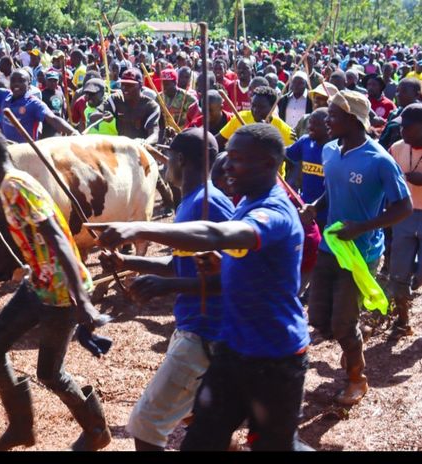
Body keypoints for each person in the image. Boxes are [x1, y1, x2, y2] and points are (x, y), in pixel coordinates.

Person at [90, 123, 311, 451]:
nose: (226, 165)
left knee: (276, 446)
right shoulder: (245, 203)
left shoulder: (273, 212)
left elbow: (219, 235)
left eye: (237, 158)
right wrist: (220, 266)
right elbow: (237, 261)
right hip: (232, 351)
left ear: (268, 163)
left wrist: (138, 229)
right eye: (228, 155)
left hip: (275, 357)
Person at [0, 130, 111, 452]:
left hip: (61, 292)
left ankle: (96, 430)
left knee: (50, 373)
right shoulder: (12, 184)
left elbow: (58, 238)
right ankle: (21, 428)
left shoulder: (16, 186)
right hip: (39, 282)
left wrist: (82, 298)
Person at [104, 129, 234, 451]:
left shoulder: (210, 204)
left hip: (205, 332)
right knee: (202, 418)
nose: (165, 167)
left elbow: (232, 277)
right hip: (192, 326)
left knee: (146, 426)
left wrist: (167, 287)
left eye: (168, 160)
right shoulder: (190, 203)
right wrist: (125, 261)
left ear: (180, 160)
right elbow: (179, 263)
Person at [302, 90, 412, 406]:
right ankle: (349, 346)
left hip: (361, 253)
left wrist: (362, 227)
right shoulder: (330, 151)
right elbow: (332, 191)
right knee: (318, 316)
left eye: (333, 115)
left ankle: (356, 377)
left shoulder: (379, 160)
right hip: (331, 245)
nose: (325, 119)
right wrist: (315, 205)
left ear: (352, 119)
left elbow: (402, 207)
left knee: (343, 323)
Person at [0, 56, 77, 143]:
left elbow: (53, 119)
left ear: (29, 84)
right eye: (14, 80)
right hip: (8, 151)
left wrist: (73, 132)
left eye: (21, 81)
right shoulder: (3, 95)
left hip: (27, 153)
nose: (16, 84)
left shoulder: (33, 103)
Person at [386, 103, 422, 340]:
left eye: (408, 128)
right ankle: (403, 321)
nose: (403, 132)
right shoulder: (396, 149)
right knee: (398, 273)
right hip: (405, 216)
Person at [286, 108, 331, 231]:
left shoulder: (336, 148)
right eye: (310, 122)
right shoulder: (304, 141)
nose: (310, 127)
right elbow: (286, 153)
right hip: (304, 208)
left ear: (328, 126)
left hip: (327, 213)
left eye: (315, 124)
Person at [216, 86, 294, 153]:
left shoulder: (284, 130)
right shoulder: (240, 117)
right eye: (253, 105)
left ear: (272, 108)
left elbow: (294, 160)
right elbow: (217, 141)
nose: (255, 110)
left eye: (261, 107)